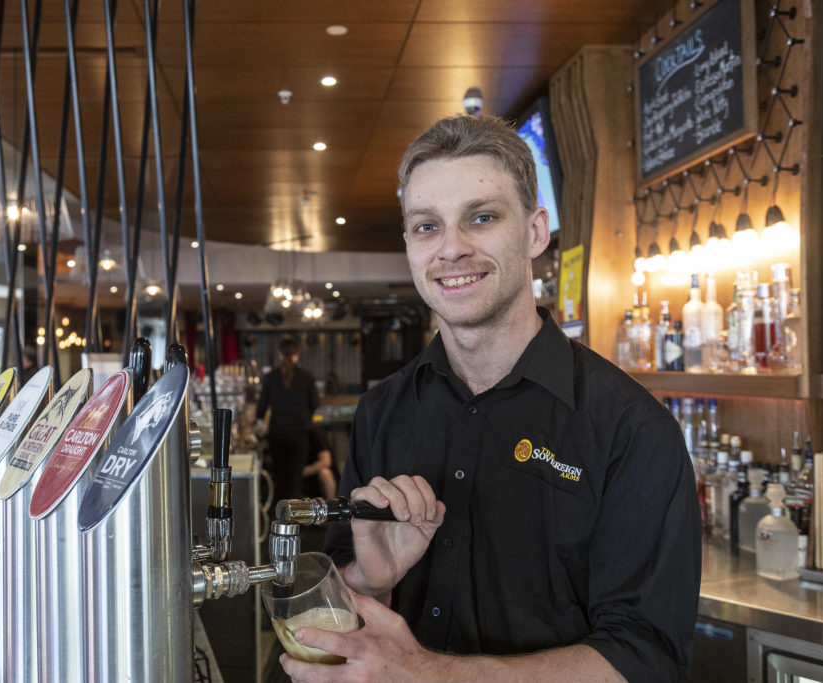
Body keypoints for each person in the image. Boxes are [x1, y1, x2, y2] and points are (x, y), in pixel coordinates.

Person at [280, 115, 701, 681]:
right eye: (427, 226)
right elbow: (340, 605)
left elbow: (646, 656)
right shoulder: (384, 411)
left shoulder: (630, 428)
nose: (452, 248)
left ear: (534, 230)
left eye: (481, 217)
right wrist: (370, 578)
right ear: (408, 243)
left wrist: (429, 674)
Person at [256, 337, 320, 501]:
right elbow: (315, 403)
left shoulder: (270, 377)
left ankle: (281, 509)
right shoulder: (307, 376)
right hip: (299, 432)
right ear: (296, 355)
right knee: (296, 474)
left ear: (279, 355)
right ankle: (296, 509)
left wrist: (259, 421)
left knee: (280, 472)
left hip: (277, 432)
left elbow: (262, 405)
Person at [302, 425, 338, 501]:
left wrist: (302, 472)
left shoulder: (316, 432)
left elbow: (326, 461)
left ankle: (332, 505)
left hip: (316, 476)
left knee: (325, 473)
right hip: (305, 481)